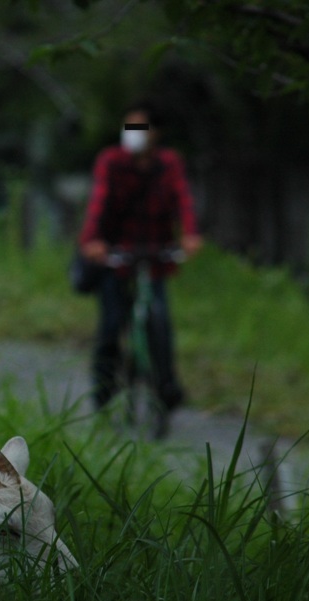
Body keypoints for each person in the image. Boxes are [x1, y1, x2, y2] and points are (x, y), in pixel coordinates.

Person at [79, 102, 203, 414]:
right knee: (111, 325)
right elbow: (99, 201)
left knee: (160, 319)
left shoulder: (169, 164)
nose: (132, 134)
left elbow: (183, 200)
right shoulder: (111, 162)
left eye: (140, 127)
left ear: (155, 134)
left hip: (154, 255)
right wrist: (92, 241)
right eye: (129, 126)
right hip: (115, 256)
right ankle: (103, 392)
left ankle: (167, 387)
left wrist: (189, 234)